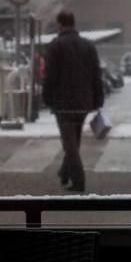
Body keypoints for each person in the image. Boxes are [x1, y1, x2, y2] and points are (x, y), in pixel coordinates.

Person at [42, 11, 104, 192]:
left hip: (63, 104)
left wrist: (47, 98)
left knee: (69, 144)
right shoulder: (88, 46)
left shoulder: (55, 46)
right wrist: (98, 98)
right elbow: (96, 74)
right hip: (84, 102)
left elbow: (50, 76)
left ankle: (78, 180)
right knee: (73, 141)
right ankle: (65, 172)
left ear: (60, 24)